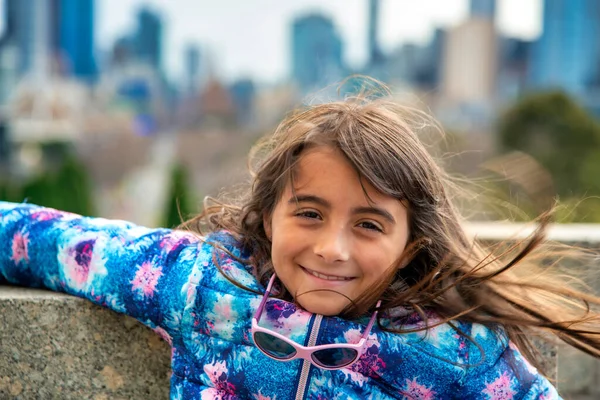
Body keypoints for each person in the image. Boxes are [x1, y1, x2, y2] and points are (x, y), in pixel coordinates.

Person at [1, 89, 598, 399]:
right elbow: (58, 244)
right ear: (267, 217)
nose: (332, 248)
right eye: (309, 213)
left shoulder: (455, 349)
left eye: (368, 224)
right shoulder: (198, 284)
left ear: (412, 241)